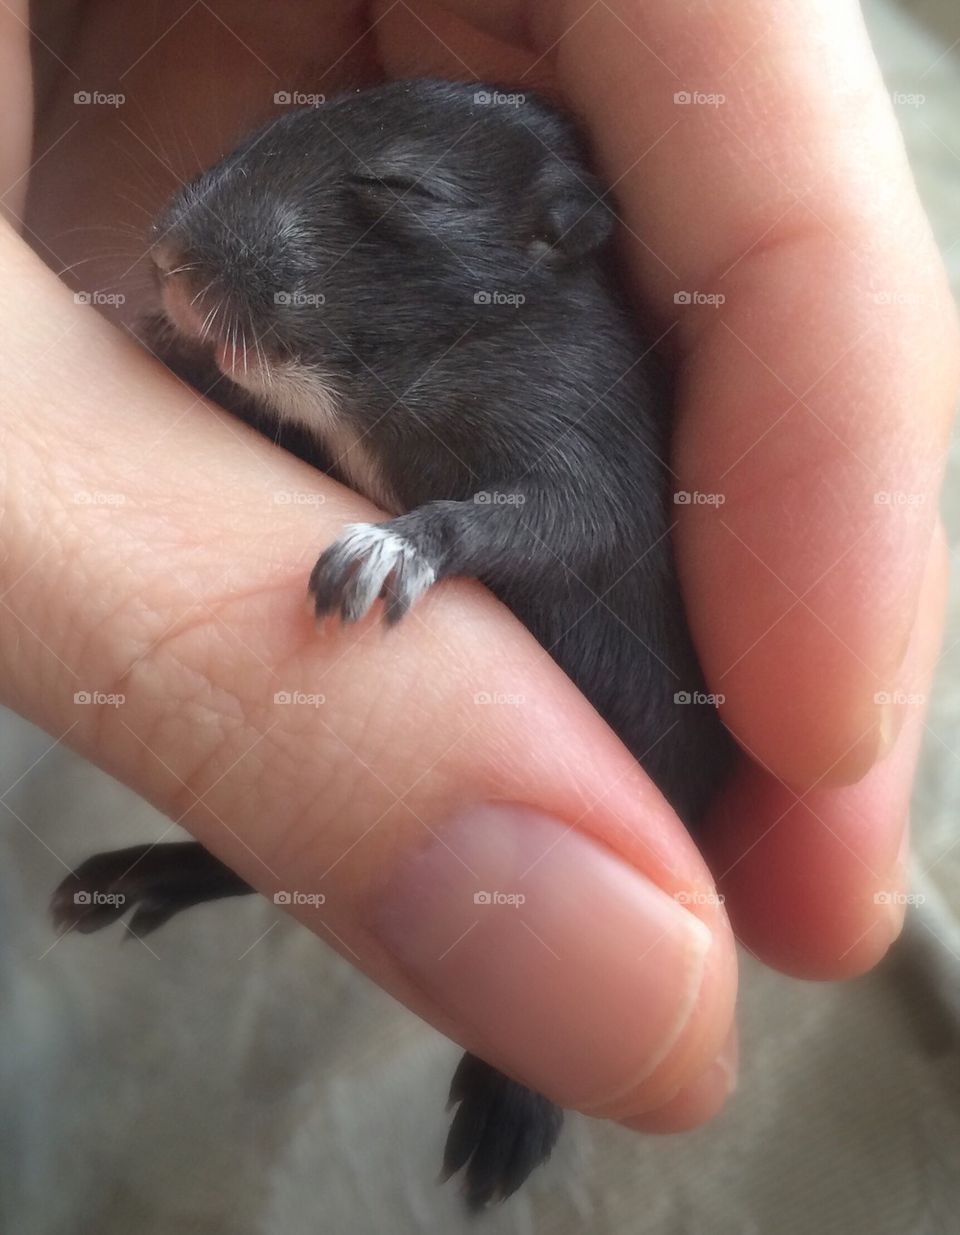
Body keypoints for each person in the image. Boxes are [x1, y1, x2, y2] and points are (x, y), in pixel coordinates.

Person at [1, 0, 955, 1136]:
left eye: (392, 199)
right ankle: (229, 867)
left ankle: (523, 1069)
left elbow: (583, 512)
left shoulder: (545, 381)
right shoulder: (378, 374)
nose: (205, 233)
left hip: (638, 732)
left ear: (548, 237)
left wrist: (434, 538)